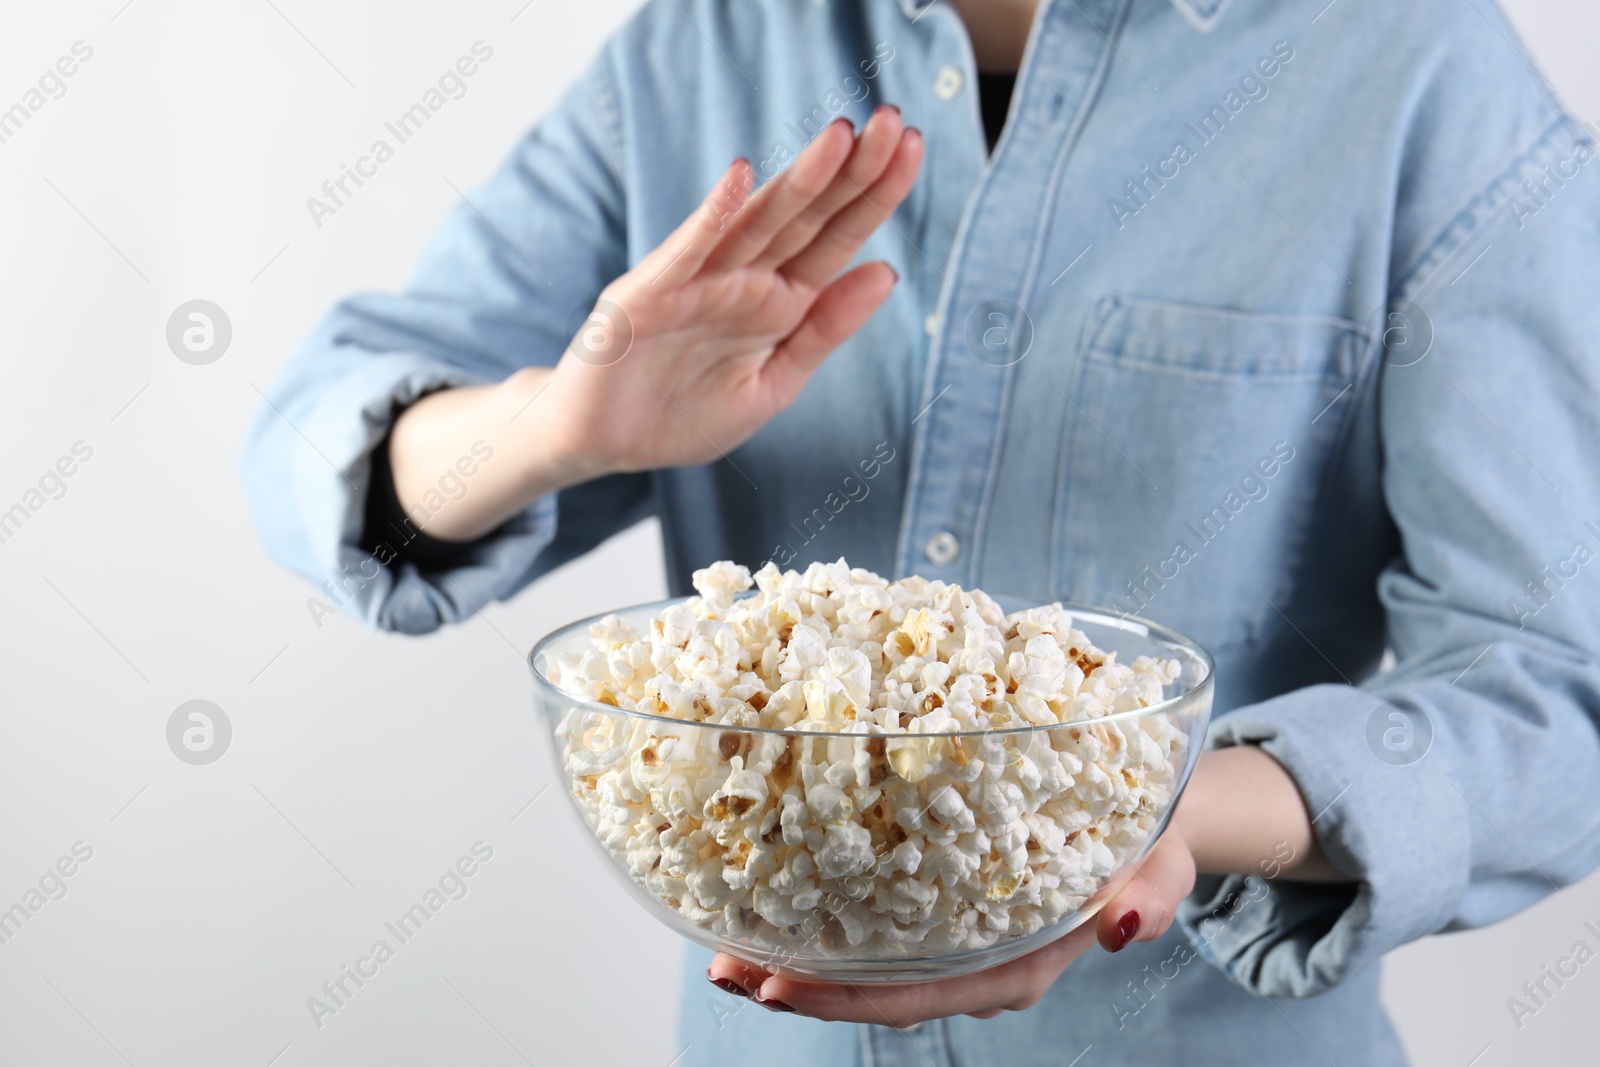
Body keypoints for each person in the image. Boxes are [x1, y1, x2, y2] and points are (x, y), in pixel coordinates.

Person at [241, 0, 1600, 1062]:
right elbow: (308, 445)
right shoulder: (701, 49)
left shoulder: (1412, 62)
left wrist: (1138, 814)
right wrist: (554, 426)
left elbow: (1558, 685)